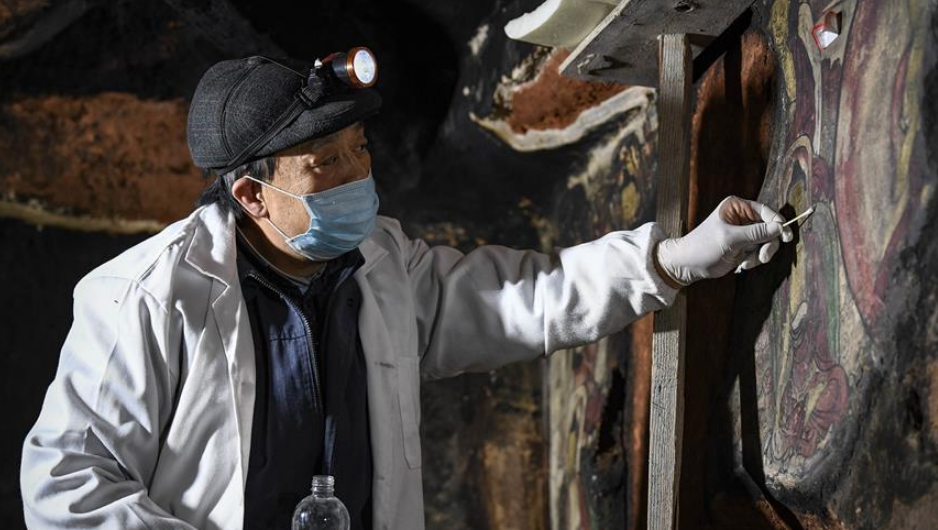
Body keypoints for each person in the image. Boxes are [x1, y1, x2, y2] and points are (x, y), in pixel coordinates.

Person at [20, 53, 793, 530]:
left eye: (359, 148)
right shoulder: (143, 298)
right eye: (325, 164)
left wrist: (675, 260)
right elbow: (66, 489)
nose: (359, 175)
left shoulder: (378, 264)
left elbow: (526, 299)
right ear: (251, 195)